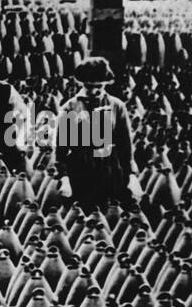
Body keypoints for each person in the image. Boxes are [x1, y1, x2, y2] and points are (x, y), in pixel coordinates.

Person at [54, 56, 139, 212]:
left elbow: (125, 146)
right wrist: (64, 178)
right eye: (89, 86)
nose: (94, 91)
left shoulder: (117, 106)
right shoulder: (69, 108)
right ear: (81, 84)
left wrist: (131, 175)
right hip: (81, 172)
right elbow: (61, 149)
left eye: (98, 86)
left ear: (106, 83)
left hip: (110, 171)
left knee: (112, 216)